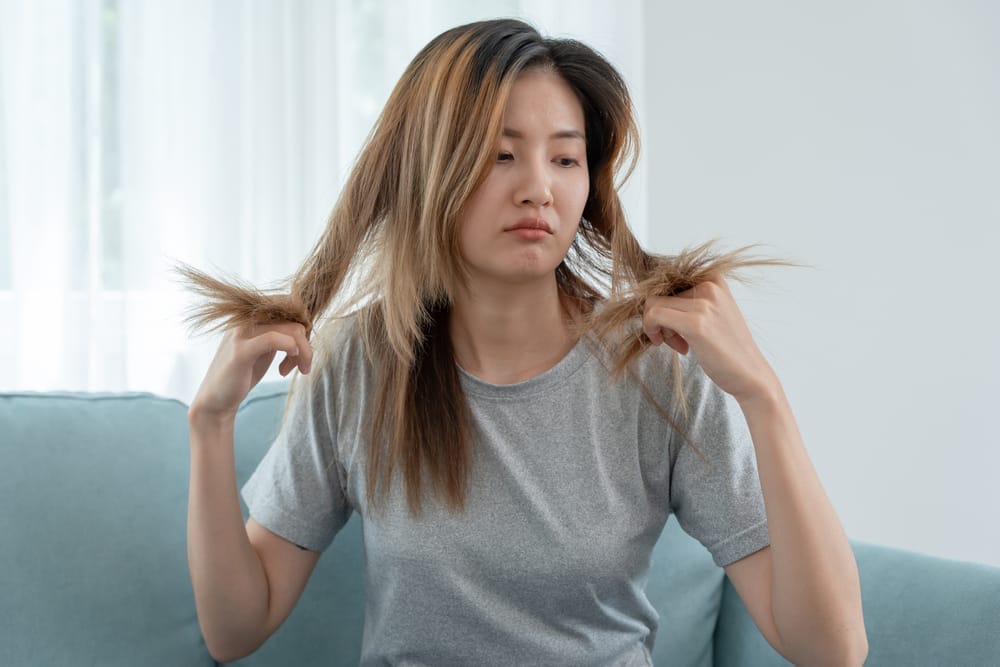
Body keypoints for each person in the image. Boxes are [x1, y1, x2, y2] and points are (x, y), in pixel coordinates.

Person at [178, 18, 867, 666]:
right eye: (502, 154)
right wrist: (209, 427)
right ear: (429, 170)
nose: (539, 187)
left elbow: (832, 648)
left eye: (566, 158)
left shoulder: (658, 365)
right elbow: (237, 627)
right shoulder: (362, 360)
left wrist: (762, 395)